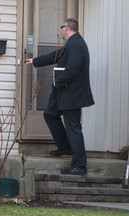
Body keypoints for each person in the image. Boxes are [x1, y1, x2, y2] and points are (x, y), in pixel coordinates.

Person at [25, 18, 94, 175]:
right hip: (64, 92)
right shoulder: (71, 43)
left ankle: (79, 165)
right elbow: (55, 56)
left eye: (61, 26)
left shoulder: (77, 44)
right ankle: (65, 147)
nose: (60, 29)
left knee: (73, 127)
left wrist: (57, 81)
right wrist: (35, 61)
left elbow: (73, 69)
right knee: (50, 114)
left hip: (72, 94)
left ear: (67, 28)